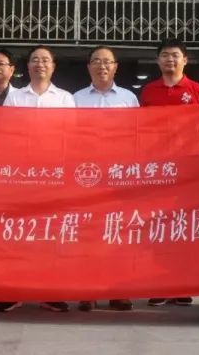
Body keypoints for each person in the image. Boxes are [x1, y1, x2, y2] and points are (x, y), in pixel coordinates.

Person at [0, 44, 73, 313]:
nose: (40, 64)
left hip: (55, 175)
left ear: (53, 66)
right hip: (21, 175)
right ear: (27, 66)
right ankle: (13, 289)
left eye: (45, 60)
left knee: (51, 234)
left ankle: (49, 291)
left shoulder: (65, 98)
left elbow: (71, 135)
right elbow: (7, 132)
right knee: (16, 233)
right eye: (35, 60)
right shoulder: (15, 97)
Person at [140, 37, 199, 306]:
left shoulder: (197, 90)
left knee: (183, 227)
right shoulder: (148, 91)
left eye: (175, 55)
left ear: (185, 60)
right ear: (158, 60)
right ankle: (160, 285)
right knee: (158, 227)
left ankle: (182, 285)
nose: (170, 59)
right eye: (165, 55)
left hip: (187, 172)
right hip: (156, 171)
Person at [73, 45, 138, 312]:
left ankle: (118, 291)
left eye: (107, 62)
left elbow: (138, 135)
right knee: (88, 233)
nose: (102, 66)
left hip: (119, 177)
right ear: (88, 66)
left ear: (115, 67)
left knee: (118, 232)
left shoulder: (128, 98)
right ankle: (88, 290)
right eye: (96, 61)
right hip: (86, 176)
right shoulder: (76, 98)